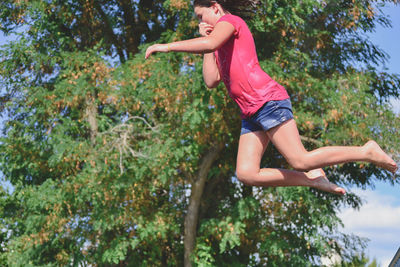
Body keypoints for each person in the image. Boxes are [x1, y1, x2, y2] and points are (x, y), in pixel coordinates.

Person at [145, 0, 398, 195]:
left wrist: (166, 46)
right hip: (250, 110)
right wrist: (204, 39)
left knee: (300, 158)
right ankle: (312, 179)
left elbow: (211, 44)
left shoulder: (232, 21)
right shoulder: (216, 43)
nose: (200, 21)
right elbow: (211, 80)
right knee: (246, 173)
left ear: (215, 7)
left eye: (201, 16)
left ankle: (366, 151)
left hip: (266, 99)